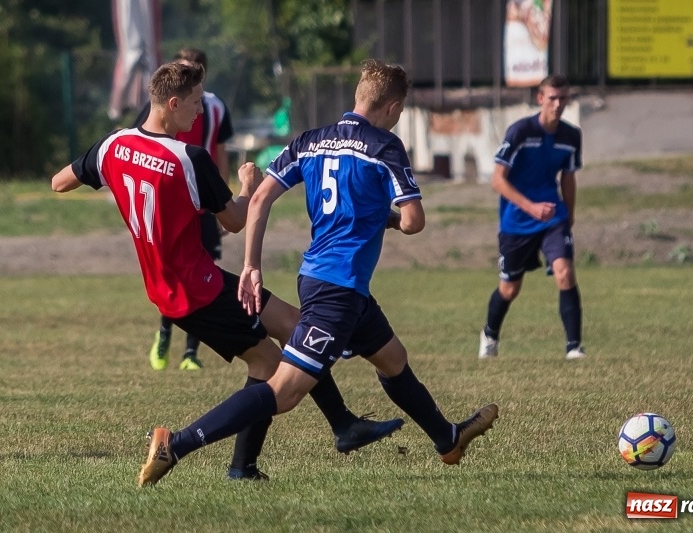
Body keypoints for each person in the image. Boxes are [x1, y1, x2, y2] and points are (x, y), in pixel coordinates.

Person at [137, 59, 499, 486]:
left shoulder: (311, 141)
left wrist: (251, 265)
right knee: (284, 390)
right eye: (398, 113)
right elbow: (413, 220)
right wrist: (384, 218)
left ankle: (447, 439)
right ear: (392, 107)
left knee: (393, 359)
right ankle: (175, 445)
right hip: (338, 290)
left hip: (319, 279)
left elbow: (259, 201)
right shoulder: (385, 146)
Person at [51, 61, 404, 482]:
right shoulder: (189, 159)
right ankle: (205, 453)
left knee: (294, 327)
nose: (201, 113)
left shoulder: (112, 146)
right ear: (173, 102)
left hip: (169, 284)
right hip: (196, 287)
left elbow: (59, 182)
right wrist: (247, 184)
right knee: (270, 363)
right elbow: (235, 220)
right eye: (197, 103)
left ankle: (332, 428)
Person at [132, 48, 234, 371]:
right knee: (176, 273)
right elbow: (137, 141)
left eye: (193, 69)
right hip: (171, 201)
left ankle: (190, 353)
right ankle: (164, 333)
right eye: (182, 67)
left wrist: (223, 201)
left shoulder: (213, 107)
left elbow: (221, 154)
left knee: (202, 274)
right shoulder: (162, 106)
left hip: (203, 198)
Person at [478, 74, 585, 361]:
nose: (558, 104)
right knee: (510, 288)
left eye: (563, 98)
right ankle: (489, 335)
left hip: (553, 217)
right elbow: (497, 180)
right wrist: (531, 207)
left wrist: (569, 215)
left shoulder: (571, 136)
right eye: (552, 97)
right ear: (540, 99)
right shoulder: (520, 132)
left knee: (565, 272)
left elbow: (568, 179)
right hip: (517, 221)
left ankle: (573, 347)